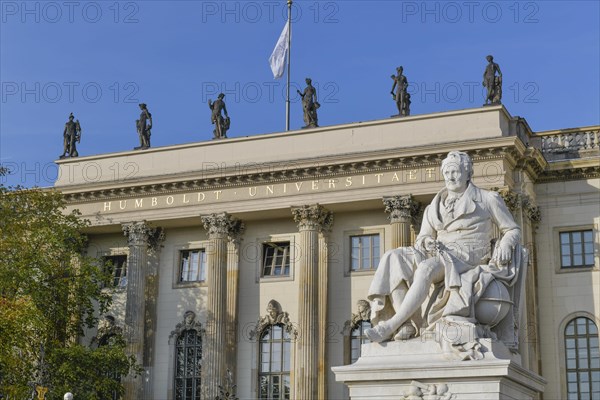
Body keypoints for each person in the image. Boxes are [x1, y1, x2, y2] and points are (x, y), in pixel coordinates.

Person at [365, 151, 521, 342]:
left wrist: (506, 242)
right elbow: (422, 237)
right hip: (438, 251)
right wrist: (426, 242)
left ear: (468, 173)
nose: (450, 176)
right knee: (393, 257)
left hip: (468, 254)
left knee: (426, 268)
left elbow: (512, 230)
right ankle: (408, 325)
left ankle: (391, 325)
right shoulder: (433, 206)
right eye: (446, 172)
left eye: (455, 171)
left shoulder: (488, 199)